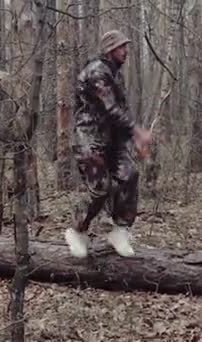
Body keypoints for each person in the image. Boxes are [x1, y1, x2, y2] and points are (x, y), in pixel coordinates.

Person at [65, 30, 152, 258]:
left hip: (112, 140)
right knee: (101, 188)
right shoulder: (96, 72)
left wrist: (133, 137)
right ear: (110, 49)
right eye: (122, 47)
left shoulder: (115, 74)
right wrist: (138, 131)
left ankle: (120, 230)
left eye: (126, 46)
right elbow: (111, 109)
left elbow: (120, 111)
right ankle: (77, 230)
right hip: (89, 139)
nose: (126, 51)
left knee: (130, 175)